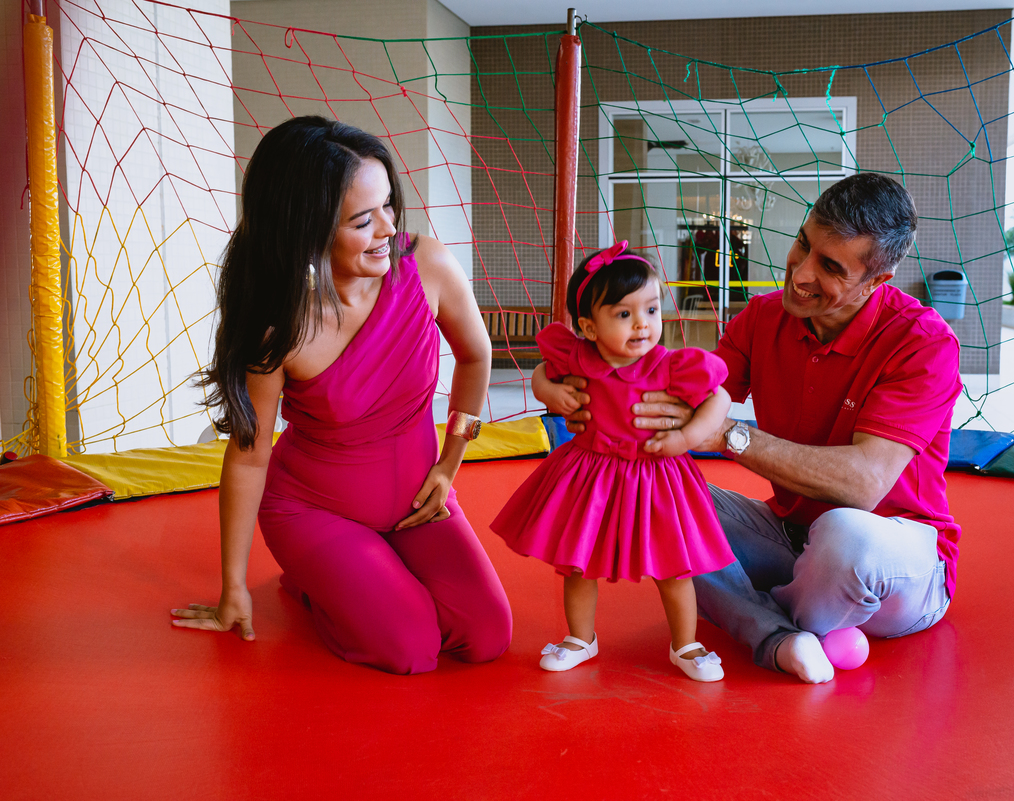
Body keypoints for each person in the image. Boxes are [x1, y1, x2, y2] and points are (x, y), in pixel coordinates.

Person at [535, 174, 961, 684]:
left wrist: (727, 435)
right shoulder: (762, 317)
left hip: (893, 560)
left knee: (848, 537)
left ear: (876, 282)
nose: (799, 274)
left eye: (829, 267)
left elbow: (861, 485)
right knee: (658, 498)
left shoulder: (924, 342)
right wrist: (594, 386)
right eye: (804, 243)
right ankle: (783, 636)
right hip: (788, 537)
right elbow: (677, 398)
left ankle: (755, 607)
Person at [171, 116, 511, 674]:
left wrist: (450, 462)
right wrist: (233, 586)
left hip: (417, 504)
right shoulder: (281, 328)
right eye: (361, 219)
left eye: (388, 207)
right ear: (309, 228)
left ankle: (361, 575)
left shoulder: (426, 265)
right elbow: (250, 456)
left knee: (487, 635)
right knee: (411, 650)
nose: (386, 229)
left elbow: (477, 356)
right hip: (313, 510)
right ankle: (310, 581)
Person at [492, 242, 734, 682]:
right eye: (624, 314)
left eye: (651, 310)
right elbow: (544, 370)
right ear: (588, 325)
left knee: (673, 566)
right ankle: (580, 638)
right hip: (591, 474)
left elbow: (720, 395)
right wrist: (548, 392)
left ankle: (686, 643)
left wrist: (688, 435)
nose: (643, 324)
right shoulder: (577, 357)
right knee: (577, 561)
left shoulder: (672, 366)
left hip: (657, 477)